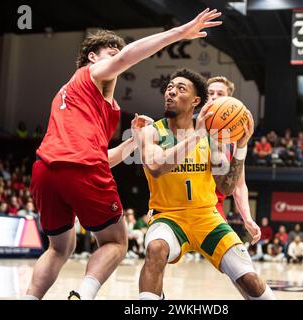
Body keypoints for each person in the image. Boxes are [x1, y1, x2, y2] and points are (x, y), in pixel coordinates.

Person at [25, 8, 223, 301]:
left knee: (59, 248)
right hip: (80, 169)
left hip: (45, 169)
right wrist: (181, 32)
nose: (117, 55)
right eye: (110, 51)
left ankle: (29, 298)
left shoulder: (77, 96)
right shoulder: (89, 74)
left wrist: (132, 142)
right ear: (93, 57)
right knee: (116, 242)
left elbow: (100, 157)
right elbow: (128, 57)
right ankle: (82, 295)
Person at [134, 68, 274, 300]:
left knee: (249, 280)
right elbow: (156, 167)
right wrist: (196, 136)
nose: (171, 93)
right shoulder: (152, 132)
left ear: (195, 101)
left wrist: (241, 146)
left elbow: (228, 187)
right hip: (168, 217)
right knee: (155, 249)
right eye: (169, 87)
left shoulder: (214, 138)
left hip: (206, 217)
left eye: (180, 89)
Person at [207, 77, 260, 247]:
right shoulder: (190, 126)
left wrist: (248, 219)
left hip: (214, 207)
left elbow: (238, 185)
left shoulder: (233, 140)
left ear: (229, 102)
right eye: (210, 93)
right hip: (186, 204)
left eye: (220, 94)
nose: (214, 97)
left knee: (235, 256)